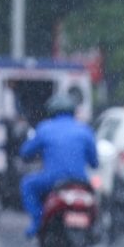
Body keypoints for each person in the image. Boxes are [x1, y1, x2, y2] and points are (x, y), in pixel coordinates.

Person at [19, 93, 99, 238]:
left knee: (27, 185)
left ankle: (37, 222)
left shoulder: (45, 129)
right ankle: (95, 228)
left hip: (53, 180)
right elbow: (94, 162)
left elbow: (26, 152)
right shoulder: (85, 130)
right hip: (80, 181)